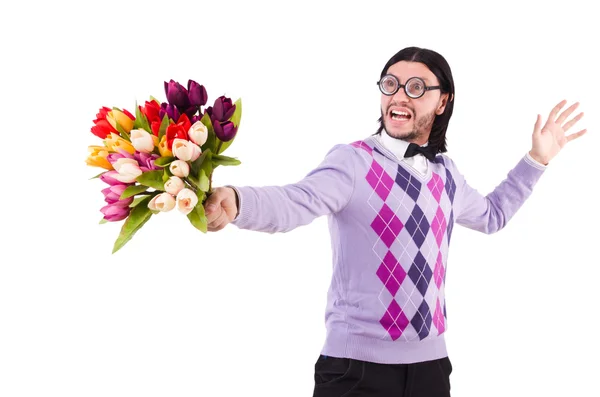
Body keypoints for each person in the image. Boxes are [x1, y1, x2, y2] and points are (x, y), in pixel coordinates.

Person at [202, 47, 587, 396]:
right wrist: (236, 201)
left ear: (442, 101)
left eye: (417, 87)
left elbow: (493, 216)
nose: (400, 96)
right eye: (391, 84)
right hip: (355, 373)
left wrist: (537, 160)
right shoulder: (353, 163)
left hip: (431, 370)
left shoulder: (446, 175)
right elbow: (295, 200)